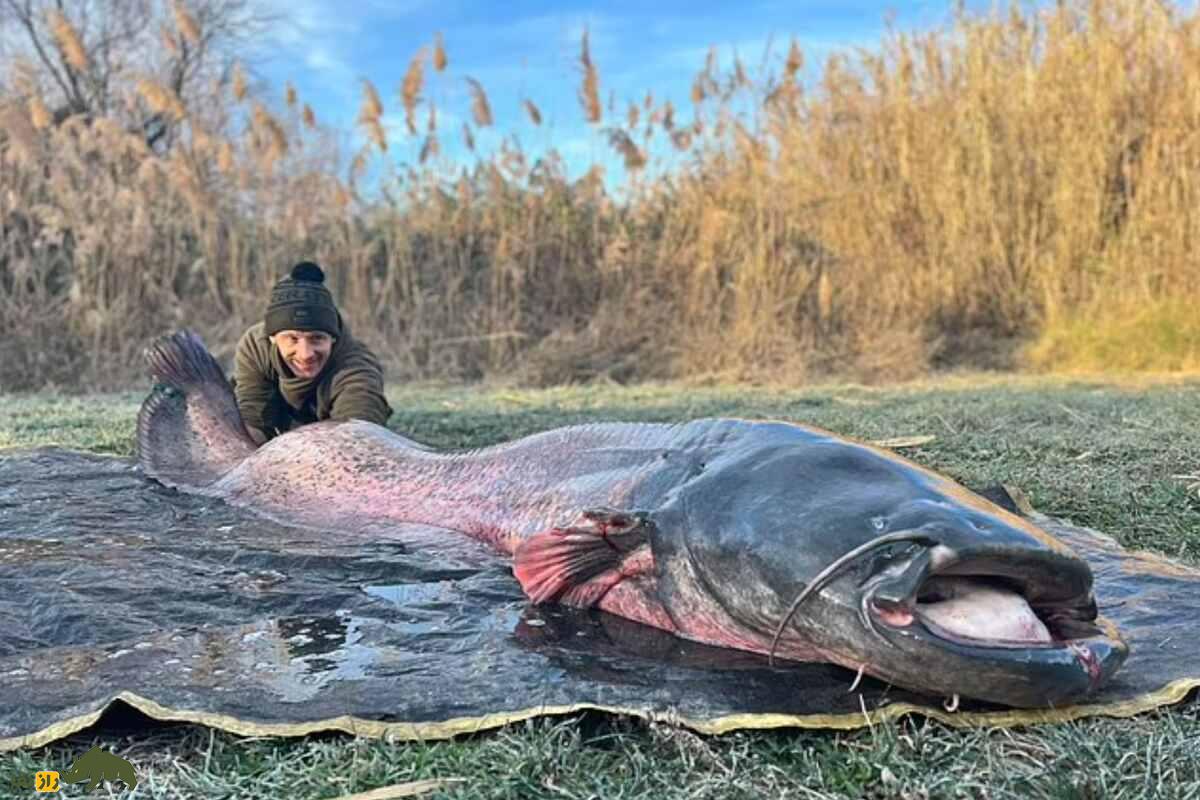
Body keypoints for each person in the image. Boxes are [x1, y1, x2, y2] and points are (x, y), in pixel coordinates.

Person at [233, 261, 392, 444]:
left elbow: (358, 439)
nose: (305, 354)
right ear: (273, 338)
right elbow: (252, 420)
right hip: (278, 441)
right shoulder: (256, 346)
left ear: (333, 337)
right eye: (292, 339)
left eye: (317, 338)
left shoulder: (356, 368)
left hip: (334, 447)